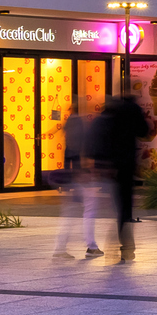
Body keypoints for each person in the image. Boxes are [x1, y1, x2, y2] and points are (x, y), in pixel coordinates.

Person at [98, 93, 153, 260]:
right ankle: (126, 244)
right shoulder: (134, 110)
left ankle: (121, 240)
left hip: (114, 164)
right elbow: (144, 131)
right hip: (127, 163)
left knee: (118, 204)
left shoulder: (113, 113)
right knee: (126, 204)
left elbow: (105, 138)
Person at [51, 110, 104, 258]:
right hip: (85, 181)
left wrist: (69, 183)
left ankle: (60, 248)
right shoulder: (83, 140)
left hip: (72, 182)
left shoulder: (68, 143)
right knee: (89, 212)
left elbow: (68, 164)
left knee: (69, 215)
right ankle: (91, 246)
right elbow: (87, 158)